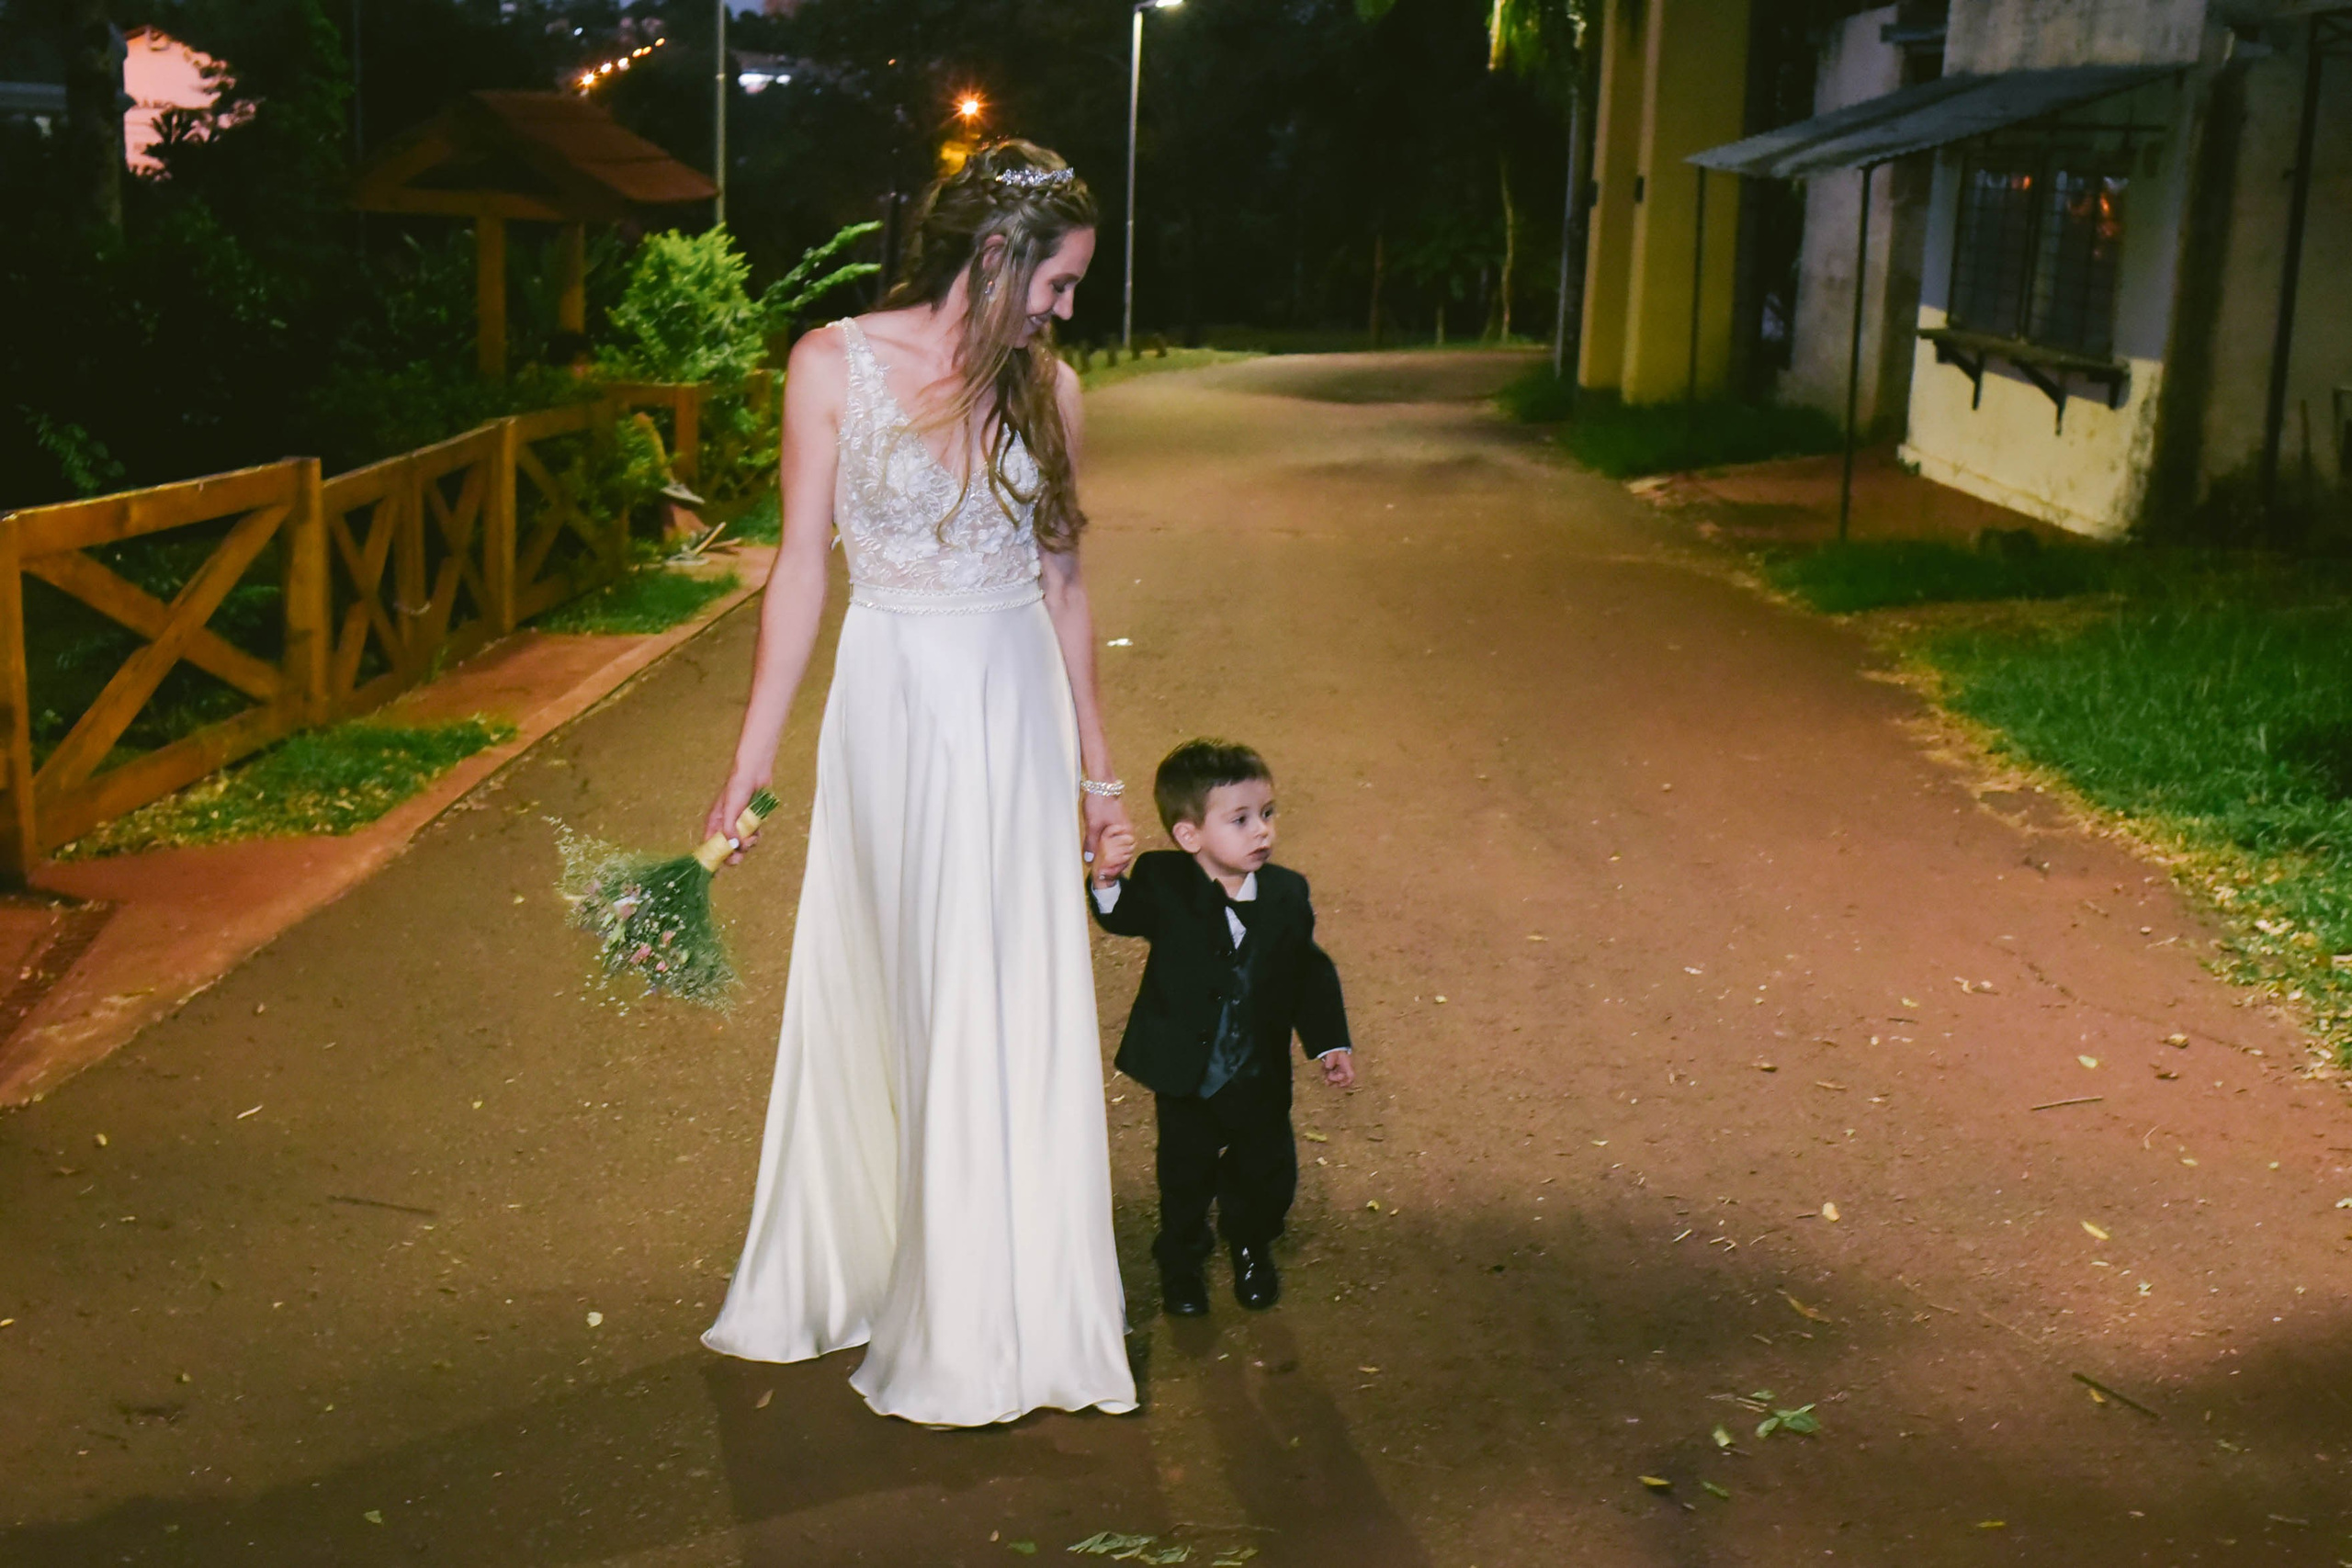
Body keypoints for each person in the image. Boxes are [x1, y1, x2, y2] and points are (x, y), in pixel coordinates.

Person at [698, 141, 1137, 1427]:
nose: (1064, 311)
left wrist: (1098, 778)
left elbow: (1064, 585)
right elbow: (798, 571)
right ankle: (891, 1263)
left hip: (1010, 710)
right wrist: (750, 757)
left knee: (996, 991)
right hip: (891, 709)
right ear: (994, 255)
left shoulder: (1049, 393)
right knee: (906, 985)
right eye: (1057, 282)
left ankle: (994, 1307)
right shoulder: (831, 366)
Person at [1086, 739, 1355, 1316]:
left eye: (1267, 814)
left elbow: (1308, 971)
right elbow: (1122, 916)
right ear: (1190, 837)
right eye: (1240, 820)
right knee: (1184, 1175)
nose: (1262, 831)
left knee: (1267, 1171)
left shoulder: (1287, 894)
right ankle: (1180, 1259)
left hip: (1258, 1071)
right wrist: (1107, 876)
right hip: (1187, 1073)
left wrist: (1328, 1040)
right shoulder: (1162, 881)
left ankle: (1250, 1241)